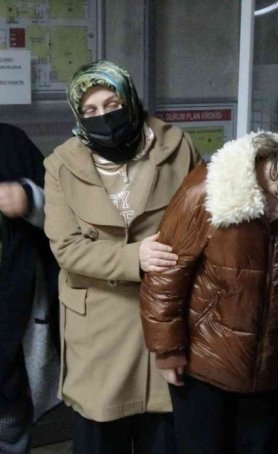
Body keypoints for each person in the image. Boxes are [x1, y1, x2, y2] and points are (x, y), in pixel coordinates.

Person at [139, 127, 278, 454]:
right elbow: (165, 274)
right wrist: (167, 349)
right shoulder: (209, 189)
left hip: (270, 369)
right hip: (204, 364)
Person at [44, 60, 201, 453]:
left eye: (112, 104)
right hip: (99, 330)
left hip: (165, 321)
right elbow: (67, 248)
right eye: (90, 110)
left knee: (163, 435)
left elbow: (203, 220)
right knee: (100, 438)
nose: (103, 116)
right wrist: (135, 258)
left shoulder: (176, 146)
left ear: (129, 99)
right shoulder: (61, 164)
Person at [0, 124, 59, 454]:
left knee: (10, 428)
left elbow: (67, 216)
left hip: (12, 333)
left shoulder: (11, 142)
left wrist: (29, 198)